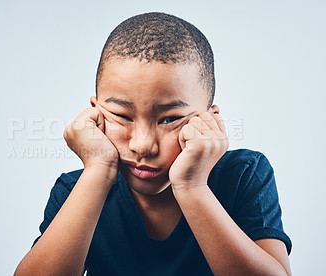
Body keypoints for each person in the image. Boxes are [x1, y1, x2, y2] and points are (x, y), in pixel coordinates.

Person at [14, 12, 292, 276]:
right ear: (95, 114)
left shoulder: (243, 174)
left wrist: (192, 186)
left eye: (169, 119)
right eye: (122, 116)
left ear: (211, 121)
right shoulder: (76, 191)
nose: (143, 145)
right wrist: (98, 170)